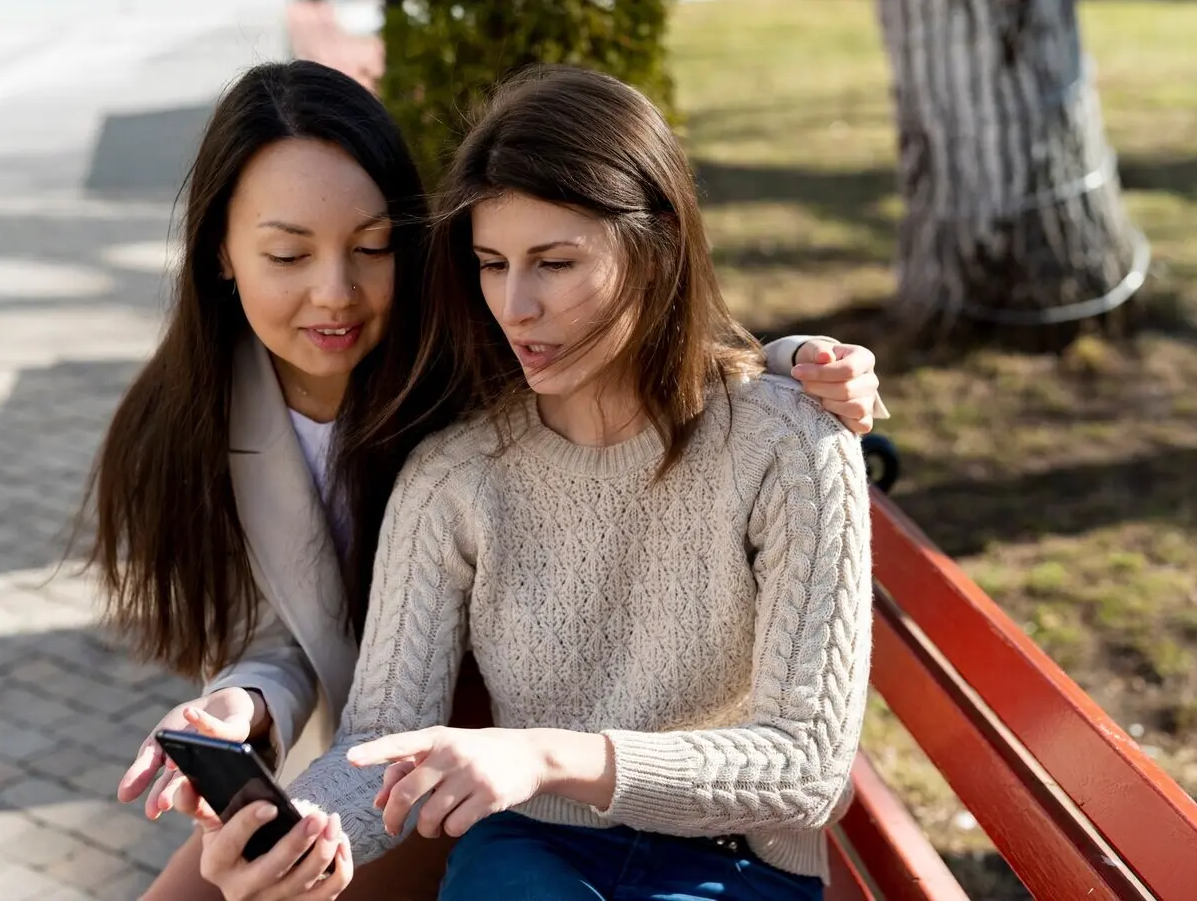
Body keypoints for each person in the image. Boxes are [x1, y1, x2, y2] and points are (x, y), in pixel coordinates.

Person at [88, 61, 885, 901]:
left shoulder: (786, 439)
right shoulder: (452, 472)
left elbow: (808, 764)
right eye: (490, 263)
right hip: (523, 848)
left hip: (729, 858)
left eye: (555, 262)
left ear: (656, 244)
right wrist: (297, 834)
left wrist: (791, 365)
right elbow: (377, 730)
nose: (516, 307)